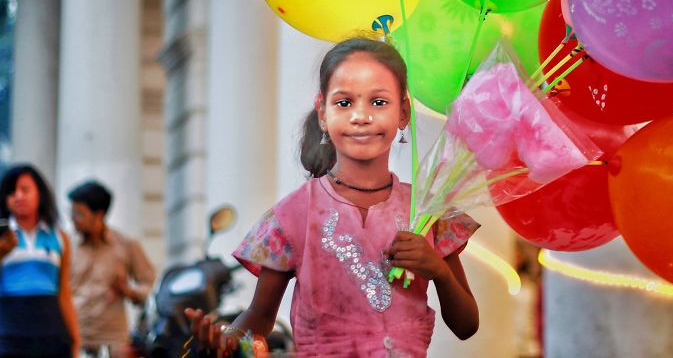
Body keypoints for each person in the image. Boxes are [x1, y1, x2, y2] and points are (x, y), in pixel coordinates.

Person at [187, 37, 480, 356]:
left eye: (378, 102)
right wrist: (226, 341)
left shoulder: (428, 211)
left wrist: (439, 271)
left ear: (403, 111)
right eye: (344, 103)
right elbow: (259, 318)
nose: (361, 116)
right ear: (323, 113)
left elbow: (467, 326)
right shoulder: (294, 215)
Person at [68, 180, 157, 356]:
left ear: (99, 215)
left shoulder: (126, 245)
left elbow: (149, 286)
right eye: (72, 212)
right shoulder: (67, 246)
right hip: (76, 337)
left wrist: (128, 291)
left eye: (79, 213)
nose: (73, 219)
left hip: (114, 340)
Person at [0, 164, 79, 357]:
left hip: (52, 334)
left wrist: (75, 338)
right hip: (9, 335)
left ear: (39, 194)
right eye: (12, 192)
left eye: (25, 190)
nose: (18, 196)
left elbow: (64, 293)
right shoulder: (2, 237)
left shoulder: (59, 238)